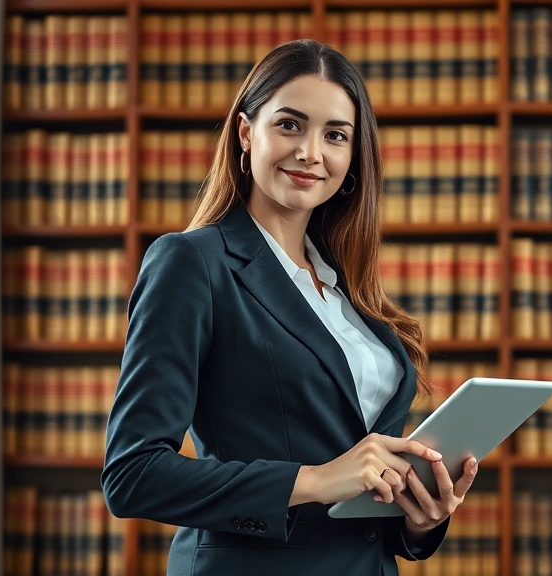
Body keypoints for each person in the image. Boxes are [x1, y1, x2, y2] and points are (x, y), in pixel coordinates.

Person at [101, 38, 479, 576]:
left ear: (353, 158)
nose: (311, 153)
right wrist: (316, 479)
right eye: (289, 125)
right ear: (245, 132)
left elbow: (365, 494)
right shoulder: (192, 263)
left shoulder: (347, 286)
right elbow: (133, 474)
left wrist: (420, 518)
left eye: (335, 136)